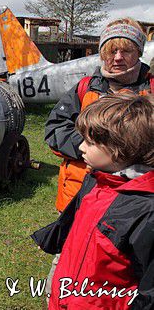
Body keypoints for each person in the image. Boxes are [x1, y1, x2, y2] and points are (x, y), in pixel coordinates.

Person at [42, 18, 152, 297]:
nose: (117, 57)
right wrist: (93, 147)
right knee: (70, 256)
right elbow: (55, 128)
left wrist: (116, 157)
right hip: (79, 195)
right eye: (110, 50)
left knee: (125, 268)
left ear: (139, 52)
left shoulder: (151, 90)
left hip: (134, 206)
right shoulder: (84, 88)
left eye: (125, 50)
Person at [33, 93, 154, 309]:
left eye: (90, 141)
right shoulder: (95, 181)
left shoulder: (146, 210)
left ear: (119, 148)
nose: (80, 147)